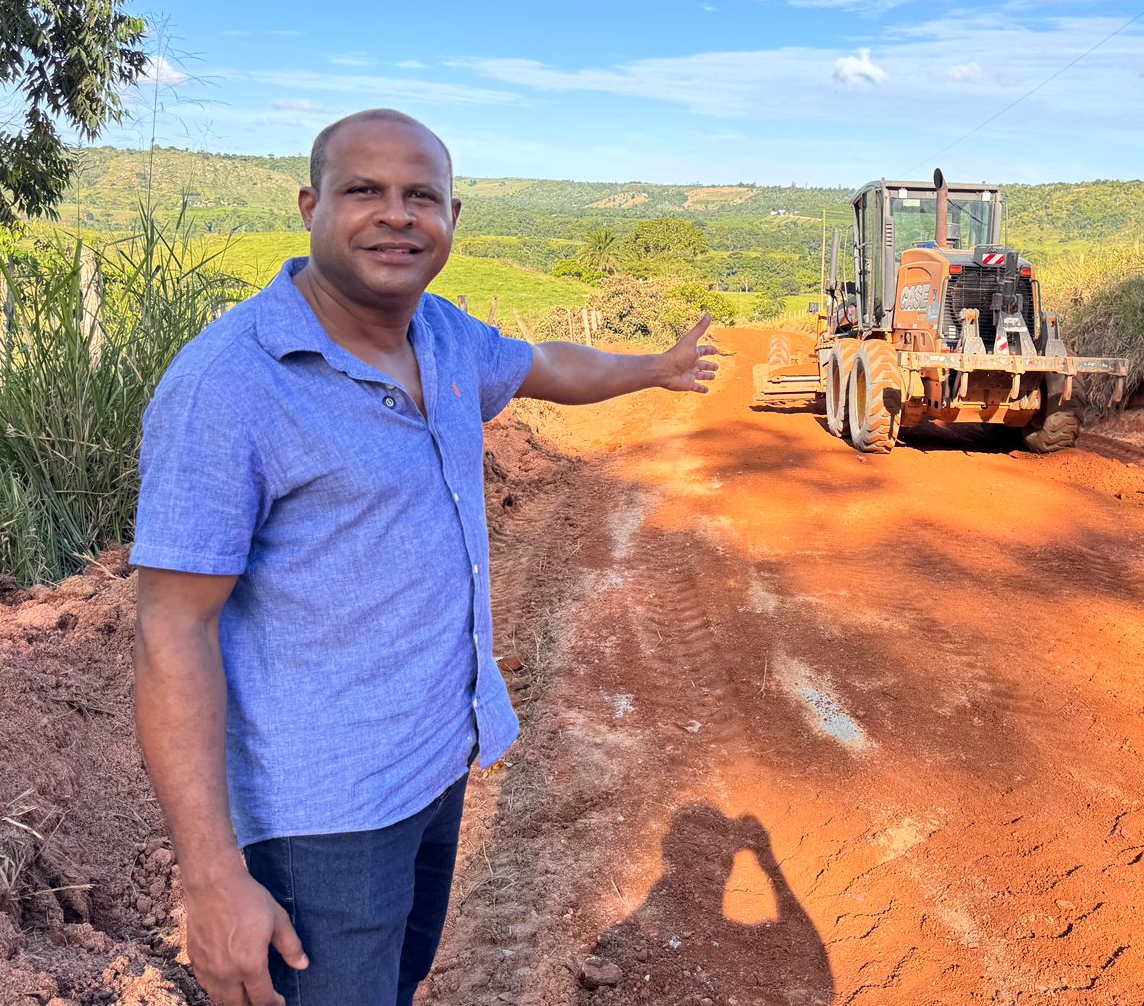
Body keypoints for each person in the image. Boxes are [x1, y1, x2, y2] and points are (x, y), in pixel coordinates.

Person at [130, 108, 719, 1006]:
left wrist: (655, 368)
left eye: (422, 196)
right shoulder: (231, 385)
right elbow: (172, 627)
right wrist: (211, 880)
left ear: (453, 218)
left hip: (437, 765)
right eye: (364, 190)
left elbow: (548, 365)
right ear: (309, 205)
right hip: (323, 819)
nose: (396, 215)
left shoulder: (442, 336)